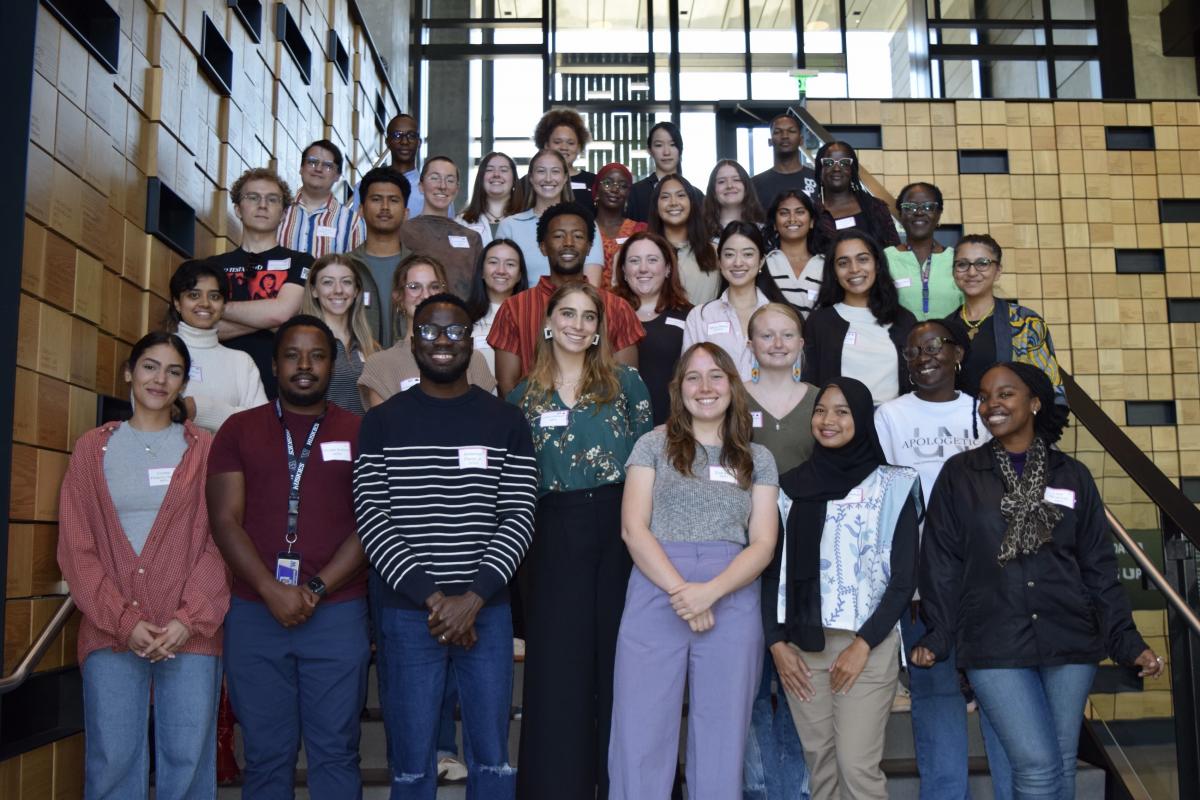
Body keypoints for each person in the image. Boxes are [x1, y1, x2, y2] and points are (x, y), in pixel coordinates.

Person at [913, 362, 1164, 799]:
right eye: (984, 397)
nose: (991, 404)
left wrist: (1126, 640)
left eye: (1005, 394)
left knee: (1062, 765)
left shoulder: (1072, 475)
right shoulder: (960, 475)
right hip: (993, 640)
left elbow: (1098, 567)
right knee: (1036, 767)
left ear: (1034, 403)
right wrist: (939, 633)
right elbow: (941, 562)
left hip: (1069, 637)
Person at [354, 293, 538, 800]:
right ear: (413, 341)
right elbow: (372, 518)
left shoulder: (506, 420)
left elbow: (519, 515)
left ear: (470, 342)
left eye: (455, 331)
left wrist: (472, 599)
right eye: (430, 331)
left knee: (492, 759)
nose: (442, 341)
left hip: (488, 612)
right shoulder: (382, 422)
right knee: (412, 765)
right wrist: (437, 602)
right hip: (409, 612)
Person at [58, 332, 230, 800]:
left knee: (188, 762)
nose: (160, 379)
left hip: (190, 632)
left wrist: (188, 618)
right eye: (150, 366)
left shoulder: (206, 449)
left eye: (174, 372)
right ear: (129, 372)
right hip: (110, 631)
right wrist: (123, 621)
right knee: (113, 762)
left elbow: (221, 539)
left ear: (183, 385)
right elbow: (77, 547)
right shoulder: (92, 449)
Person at [207, 315, 371, 800]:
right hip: (255, 612)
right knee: (265, 755)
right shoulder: (239, 429)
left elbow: (372, 523)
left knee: (336, 751)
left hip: (337, 612)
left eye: (317, 356)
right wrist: (270, 589)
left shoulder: (361, 431)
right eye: (292, 356)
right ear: (274, 365)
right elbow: (224, 521)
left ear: (332, 365)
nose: (304, 366)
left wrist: (315, 588)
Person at [609, 342, 780, 799]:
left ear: (732, 385)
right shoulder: (652, 445)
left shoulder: (757, 458)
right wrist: (684, 591)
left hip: (732, 594)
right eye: (693, 377)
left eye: (716, 376)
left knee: (723, 735)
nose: (705, 387)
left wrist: (710, 592)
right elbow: (633, 528)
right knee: (640, 731)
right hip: (657, 588)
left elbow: (763, 543)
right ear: (678, 388)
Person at [509, 282, 653, 800]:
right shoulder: (522, 396)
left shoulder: (627, 383)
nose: (578, 324)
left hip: (621, 529)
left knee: (623, 665)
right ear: (548, 323)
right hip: (552, 535)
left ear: (599, 329)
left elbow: (650, 464)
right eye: (567, 314)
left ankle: (628, 788)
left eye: (589, 316)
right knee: (557, 672)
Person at [763, 378, 921, 800]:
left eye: (842, 411)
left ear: (862, 418)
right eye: (820, 410)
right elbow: (771, 572)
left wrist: (863, 644)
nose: (827, 420)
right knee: (822, 769)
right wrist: (776, 644)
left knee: (857, 770)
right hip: (801, 647)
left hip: (865, 646)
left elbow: (904, 578)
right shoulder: (788, 487)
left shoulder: (893, 486)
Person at [874, 321, 1003, 800]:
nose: (924, 357)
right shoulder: (890, 416)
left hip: (985, 579)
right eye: (913, 352)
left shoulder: (983, 411)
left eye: (933, 347)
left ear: (958, 354)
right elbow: (888, 499)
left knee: (998, 691)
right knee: (935, 695)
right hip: (921, 583)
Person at [741, 303, 817, 800]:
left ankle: (797, 791)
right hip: (746, 555)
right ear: (750, 345)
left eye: (787, 335)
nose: (777, 343)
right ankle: (759, 788)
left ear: (801, 344)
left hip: (808, 558)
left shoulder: (821, 400)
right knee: (749, 681)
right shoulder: (730, 399)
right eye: (765, 335)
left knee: (799, 683)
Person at [489, 202, 644, 396]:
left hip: (600, 414)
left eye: (578, 236)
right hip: (530, 414)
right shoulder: (514, 308)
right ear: (543, 247)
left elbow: (627, 386)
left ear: (589, 247)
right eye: (558, 236)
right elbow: (508, 387)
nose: (568, 242)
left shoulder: (617, 307)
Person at [211, 167, 312, 399]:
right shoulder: (212, 266)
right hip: (221, 382)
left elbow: (282, 313)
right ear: (238, 209)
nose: (263, 205)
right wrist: (272, 319)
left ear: (283, 213)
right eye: (253, 197)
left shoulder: (301, 262)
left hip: (278, 384)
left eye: (272, 199)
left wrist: (218, 309)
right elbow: (204, 327)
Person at [942, 233, 1066, 406]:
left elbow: (1050, 388)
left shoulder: (1025, 323)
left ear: (998, 271)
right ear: (954, 271)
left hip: (1008, 420)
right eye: (962, 264)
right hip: (958, 422)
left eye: (982, 263)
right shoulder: (945, 328)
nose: (971, 272)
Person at [359, 255, 495, 407]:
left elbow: (484, 416)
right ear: (398, 296)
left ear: (445, 292)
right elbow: (384, 421)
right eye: (414, 287)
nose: (425, 295)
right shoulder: (380, 364)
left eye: (434, 286)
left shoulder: (473, 359)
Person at [802, 230, 917, 405]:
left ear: (877, 264)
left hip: (896, 418)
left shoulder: (904, 319)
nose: (854, 269)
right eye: (843, 263)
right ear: (833, 271)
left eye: (863, 259)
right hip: (840, 419)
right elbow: (810, 383)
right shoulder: (819, 322)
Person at [165, 259, 267, 431]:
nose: (205, 303)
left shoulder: (241, 362)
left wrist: (200, 410)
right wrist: (235, 415)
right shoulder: (159, 352)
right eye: (194, 295)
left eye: (214, 296)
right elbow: (149, 412)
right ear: (177, 302)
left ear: (223, 304)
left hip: (229, 450)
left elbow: (261, 424)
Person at [612, 231, 691, 425]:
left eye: (652, 260)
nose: (643, 268)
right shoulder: (607, 314)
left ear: (668, 269)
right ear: (623, 270)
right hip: (619, 427)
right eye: (634, 261)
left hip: (674, 427)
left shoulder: (691, 316)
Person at [496, 149, 605, 285]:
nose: (548, 179)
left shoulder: (586, 224)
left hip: (575, 298)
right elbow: (502, 283)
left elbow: (591, 285)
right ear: (531, 178)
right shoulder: (510, 226)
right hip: (526, 299)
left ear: (565, 178)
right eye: (541, 171)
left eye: (555, 171)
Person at [682, 221, 774, 382]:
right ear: (719, 261)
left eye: (748, 254)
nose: (738, 262)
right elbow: (690, 376)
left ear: (761, 261)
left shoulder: (779, 316)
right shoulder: (700, 317)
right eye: (729, 254)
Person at [300, 253, 380, 415]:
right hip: (320, 430)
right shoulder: (304, 343)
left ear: (356, 291)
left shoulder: (372, 347)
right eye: (328, 282)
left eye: (346, 282)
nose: (338, 290)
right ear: (314, 290)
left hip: (364, 431)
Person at [401, 156, 483, 299]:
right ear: (421, 186)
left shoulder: (472, 238)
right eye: (435, 178)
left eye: (450, 180)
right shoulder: (404, 231)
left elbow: (479, 291)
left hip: (461, 311)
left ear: (456, 189)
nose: (442, 186)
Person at [352, 167, 413, 348]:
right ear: (361, 210)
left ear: (406, 213)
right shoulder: (346, 267)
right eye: (376, 199)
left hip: (409, 363)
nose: (385, 207)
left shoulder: (419, 267)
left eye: (393, 200)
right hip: (359, 364)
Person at [886, 182, 961, 321]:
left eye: (928, 207)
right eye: (910, 207)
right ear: (900, 214)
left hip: (951, 335)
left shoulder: (958, 260)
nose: (919, 212)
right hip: (898, 335)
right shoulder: (884, 259)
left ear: (939, 214)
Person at [278, 138, 363, 257]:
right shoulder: (277, 211)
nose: (318, 169)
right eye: (312, 162)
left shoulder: (353, 223)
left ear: (337, 175)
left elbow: (356, 266)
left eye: (328, 166)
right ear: (301, 168)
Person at [648, 173, 721, 305]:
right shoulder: (645, 253)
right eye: (665, 197)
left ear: (692, 203)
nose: (673, 202)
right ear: (656, 206)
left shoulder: (714, 252)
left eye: (681, 195)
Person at [811, 141, 900, 248]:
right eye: (828, 162)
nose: (836, 168)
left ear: (853, 170)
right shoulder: (811, 212)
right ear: (819, 170)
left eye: (844, 163)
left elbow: (894, 249)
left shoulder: (876, 207)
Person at [466, 238, 529, 375]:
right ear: (481, 271)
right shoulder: (462, 315)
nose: (501, 270)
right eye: (493, 262)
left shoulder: (531, 316)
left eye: (510, 264)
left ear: (520, 275)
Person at [759, 190, 826, 317]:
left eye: (800, 212)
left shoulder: (827, 265)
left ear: (812, 221)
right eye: (784, 213)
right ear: (774, 224)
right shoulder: (762, 264)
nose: (792, 219)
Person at [626, 121, 705, 223]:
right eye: (659, 145)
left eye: (672, 144)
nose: (666, 152)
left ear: (680, 149)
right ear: (650, 150)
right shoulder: (635, 193)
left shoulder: (696, 195)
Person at [592, 162, 647, 287]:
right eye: (607, 183)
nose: (614, 189)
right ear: (597, 189)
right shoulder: (583, 230)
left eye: (623, 186)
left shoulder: (641, 230)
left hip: (632, 298)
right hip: (590, 298)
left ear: (628, 194)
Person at [457, 151, 524, 245]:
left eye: (503, 170)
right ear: (481, 179)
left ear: (514, 180)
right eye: (489, 170)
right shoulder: (462, 221)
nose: (496, 174)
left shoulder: (526, 220)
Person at [535, 108, 596, 209]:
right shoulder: (532, 181)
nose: (564, 147)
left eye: (570, 143)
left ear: (579, 147)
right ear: (546, 145)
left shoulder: (593, 182)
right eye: (557, 142)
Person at [752, 113, 818, 206]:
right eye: (777, 132)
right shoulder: (755, 184)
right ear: (770, 141)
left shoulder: (817, 179)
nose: (785, 136)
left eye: (791, 131)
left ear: (801, 140)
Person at [702, 159, 765, 236]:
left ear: (746, 187)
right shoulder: (700, 232)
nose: (729, 185)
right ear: (713, 191)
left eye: (736, 180)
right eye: (721, 181)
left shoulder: (763, 231)